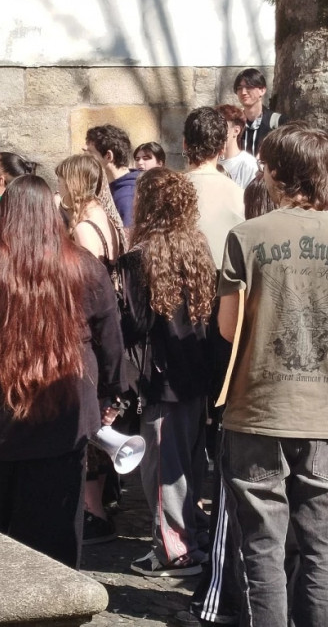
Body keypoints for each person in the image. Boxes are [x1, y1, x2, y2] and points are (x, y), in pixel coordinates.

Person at [215, 124, 328, 627]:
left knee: (263, 548)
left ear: (277, 172)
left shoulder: (248, 236)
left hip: (259, 409)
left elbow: (228, 328)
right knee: (323, 544)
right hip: (324, 413)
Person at [0, 175, 123, 568]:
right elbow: (111, 341)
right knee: (53, 544)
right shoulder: (82, 266)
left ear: (6, 214)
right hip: (60, 426)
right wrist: (111, 396)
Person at [119, 167, 218, 578]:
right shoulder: (197, 247)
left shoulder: (140, 258)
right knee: (188, 467)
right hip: (198, 375)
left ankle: (175, 552)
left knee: (161, 472)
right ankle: (185, 539)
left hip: (163, 380)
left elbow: (135, 326)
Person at [56, 153, 127, 544]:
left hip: (94, 332)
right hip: (107, 328)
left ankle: (92, 509)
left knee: (93, 421)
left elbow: (85, 288)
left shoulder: (85, 229)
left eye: (63, 181)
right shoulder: (105, 216)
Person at [183, 107, 245, 266]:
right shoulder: (240, 196)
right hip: (225, 286)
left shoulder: (165, 191)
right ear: (223, 147)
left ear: (184, 144)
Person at [85, 124, 139, 228]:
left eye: (91, 153)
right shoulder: (112, 186)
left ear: (108, 156)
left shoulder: (127, 197)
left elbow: (128, 241)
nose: (87, 160)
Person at [234, 68, 286, 156]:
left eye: (249, 87)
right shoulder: (234, 124)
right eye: (239, 88)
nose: (243, 92)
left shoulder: (278, 123)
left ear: (262, 90)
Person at [215, 105, 260, 189]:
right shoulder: (212, 162)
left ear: (236, 131)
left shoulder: (249, 165)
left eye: (222, 128)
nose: (217, 132)